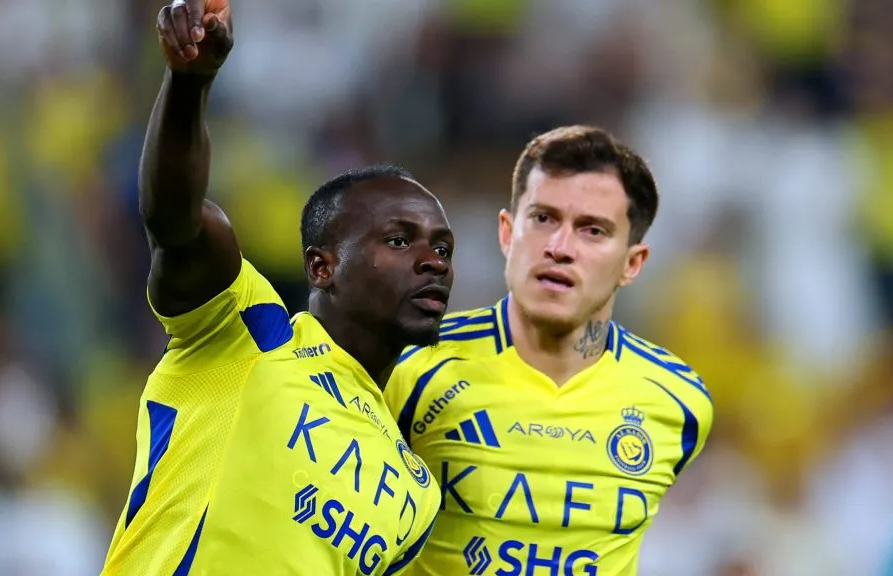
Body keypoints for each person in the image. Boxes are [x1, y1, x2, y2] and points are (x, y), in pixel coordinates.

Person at [101, 1, 454, 574]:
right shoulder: (249, 331)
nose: (433, 262)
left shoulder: (416, 492)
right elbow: (175, 219)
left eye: (442, 249)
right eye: (398, 240)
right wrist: (190, 84)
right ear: (322, 267)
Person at [385, 126, 714, 575]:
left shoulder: (679, 402)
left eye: (593, 230)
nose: (559, 248)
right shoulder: (411, 371)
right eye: (543, 218)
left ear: (632, 263)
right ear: (507, 233)